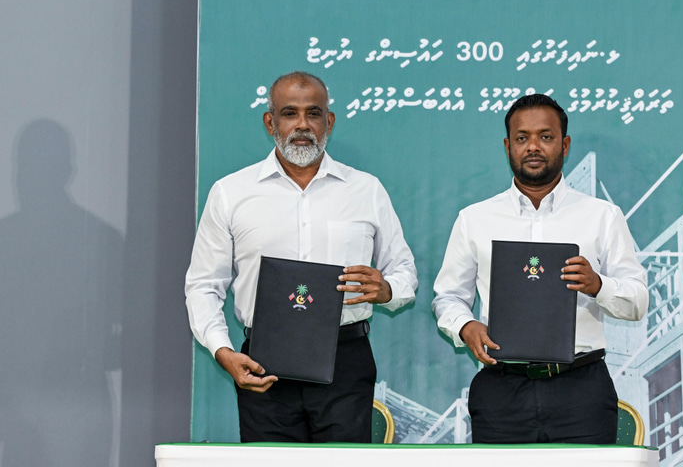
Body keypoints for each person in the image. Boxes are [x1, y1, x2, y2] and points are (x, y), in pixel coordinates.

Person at [185, 71, 417, 443]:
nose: (303, 124)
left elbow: (404, 270)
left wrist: (387, 289)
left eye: (314, 113)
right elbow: (203, 285)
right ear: (270, 122)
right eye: (290, 113)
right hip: (263, 363)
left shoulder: (366, 190)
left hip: (345, 361)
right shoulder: (231, 193)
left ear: (329, 121)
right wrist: (222, 350)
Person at [432, 93, 648, 444]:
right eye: (522, 138)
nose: (533, 146)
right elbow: (448, 298)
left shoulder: (603, 216)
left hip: (582, 390)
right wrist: (465, 326)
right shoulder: (474, 219)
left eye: (545, 137)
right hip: (501, 390)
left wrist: (597, 285)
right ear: (508, 147)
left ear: (565, 145)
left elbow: (637, 301)